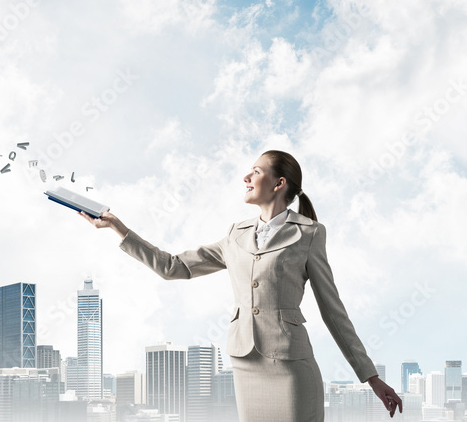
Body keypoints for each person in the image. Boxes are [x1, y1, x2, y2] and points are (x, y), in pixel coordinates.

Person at [78, 150, 402, 421]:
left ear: (279, 183)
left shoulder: (309, 234)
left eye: (256, 171)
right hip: (245, 364)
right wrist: (119, 229)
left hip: (290, 367)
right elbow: (172, 267)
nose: (246, 178)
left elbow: (333, 310)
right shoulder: (236, 233)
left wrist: (370, 377)